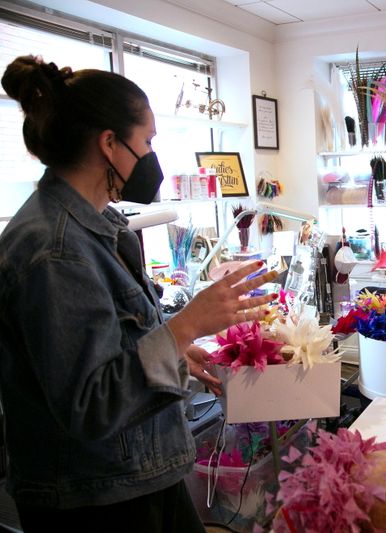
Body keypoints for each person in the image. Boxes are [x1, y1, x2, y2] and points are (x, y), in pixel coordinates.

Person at [0, 56, 278, 532]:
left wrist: (173, 350)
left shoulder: (100, 226)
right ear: (109, 144)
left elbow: (107, 348)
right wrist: (184, 325)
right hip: (97, 499)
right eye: (146, 142)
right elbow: (90, 405)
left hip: (139, 476)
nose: (151, 157)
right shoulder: (55, 251)